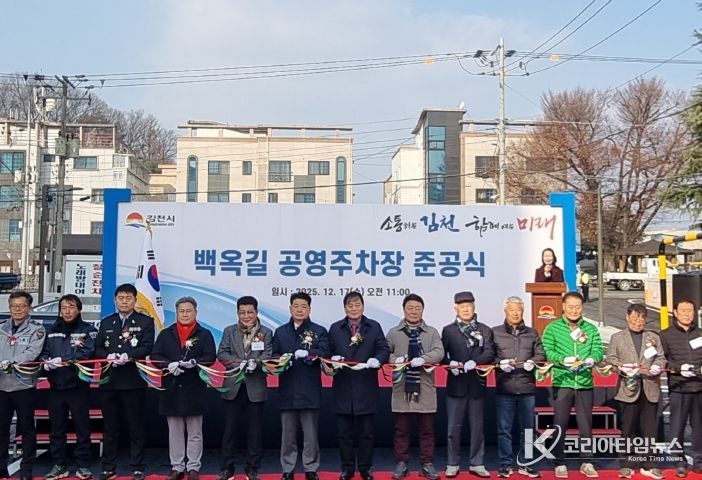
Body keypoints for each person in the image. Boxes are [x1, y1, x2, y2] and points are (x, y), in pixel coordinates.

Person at [151, 297, 216, 480]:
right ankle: (177, 467)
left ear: (195, 312)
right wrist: (168, 365)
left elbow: (210, 357)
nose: (185, 314)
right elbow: (155, 356)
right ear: (176, 312)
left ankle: (193, 467)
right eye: (181, 311)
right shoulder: (166, 334)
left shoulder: (204, 334)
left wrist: (195, 362)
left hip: (194, 388)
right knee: (175, 432)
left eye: (189, 311)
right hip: (171, 388)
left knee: (195, 432)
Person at [94, 283, 155, 480]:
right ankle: (108, 467)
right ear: (115, 300)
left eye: (128, 298)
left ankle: (137, 466)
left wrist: (129, 356)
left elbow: (147, 346)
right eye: (121, 298)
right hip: (109, 381)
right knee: (110, 426)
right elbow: (97, 348)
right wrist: (107, 356)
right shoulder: (106, 322)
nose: (124, 301)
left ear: (135, 300)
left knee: (135, 426)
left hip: (133, 381)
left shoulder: (145, 321)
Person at [541, 291, 603, 479]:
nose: (574, 310)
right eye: (570, 307)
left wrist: (593, 359)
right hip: (563, 382)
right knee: (560, 423)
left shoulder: (590, 329)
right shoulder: (553, 328)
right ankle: (559, 462)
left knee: (586, 424)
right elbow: (547, 351)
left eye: (578, 307)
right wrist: (563, 360)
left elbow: (598, 350)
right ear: (563, 307)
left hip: (584, 382)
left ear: (582, 307)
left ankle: (587, 461)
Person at [328, 292, 390, 480]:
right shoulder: (336, 328)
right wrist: (332, 359)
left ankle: (365, 468)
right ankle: (347, 468)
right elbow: (327, 351)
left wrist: (377, 360)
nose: (354, 308)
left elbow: (384, 349)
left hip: (366, 386)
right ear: (344, 308)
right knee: (344, 434)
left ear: (363, 306)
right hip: (343, 386)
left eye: (357, 305)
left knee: (366, 433)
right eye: (350, 305)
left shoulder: (373, 327)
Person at [387, 293, 444, 480]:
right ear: (404, 310)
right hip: (402, 388)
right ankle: (401, 463)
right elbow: (384, 352)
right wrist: (396, 360)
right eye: (410, 308)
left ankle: (426, 464)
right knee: (401, 430)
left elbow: (439, 352)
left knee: (427, 430)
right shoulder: (394, 333)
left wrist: (424, 359)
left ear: (423, 310)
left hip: (425, 388)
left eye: (417, 308)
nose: (413, 311)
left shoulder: (432, 332)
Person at [272, 292, 329, 480]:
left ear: (309, 309)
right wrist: (280, 360)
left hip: (309, 390)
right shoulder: (281, 332)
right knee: (287, 435)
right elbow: (273, 355)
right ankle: (288, 469)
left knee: (310, 435)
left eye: (303, 306)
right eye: (296, 306)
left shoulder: (319, 331)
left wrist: (308, 353)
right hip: (287, 389)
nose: (299, 309)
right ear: (290, 308)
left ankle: (310, 468)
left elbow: (325, 352)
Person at [40, 294, 98, 480]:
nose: (67, 311)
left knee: (82, 428)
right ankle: (59, 464)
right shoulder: (51, 330)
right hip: (56, 387)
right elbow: (44, 353)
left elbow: (87, 353)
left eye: (71, 307)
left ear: (79, 309)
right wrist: (46, 362)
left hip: (78, 387)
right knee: (57, 429)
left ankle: (83, 465)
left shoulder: (88, 330)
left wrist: (64, 360)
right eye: (63, 308)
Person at [606, 304, 666, 479]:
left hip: (649, 387)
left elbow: (661, 357)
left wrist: (657, 366)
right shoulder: (618, 337)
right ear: (627, 317)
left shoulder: (653, 337)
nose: (638, 322)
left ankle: (650, 464)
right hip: (628, 388)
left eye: (641, 319)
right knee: (628, 429)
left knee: (650, 429)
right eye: (634, 318)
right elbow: (610, 359)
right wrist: (621, 367)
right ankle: (626, 464)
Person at [217, 296, 273, 480]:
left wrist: (256, 363)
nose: (246, 316)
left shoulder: (266, 332)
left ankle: (252, 468)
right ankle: (228, 468)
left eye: (250, 312)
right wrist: (239, 363)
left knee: (255, 431)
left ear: (256, 312)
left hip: (255, 386)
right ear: (237, 313)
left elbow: (268, 354)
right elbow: (222, 353)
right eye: (242, 312)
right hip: (233, 386)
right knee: (229, 430)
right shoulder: (229, 331)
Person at [441, 291, 494, 479]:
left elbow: (489, 352)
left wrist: (476, 362)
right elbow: (441, 355)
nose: (465, 309)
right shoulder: (448, 330)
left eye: (468, 306)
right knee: (453, 428)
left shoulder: (485, 329)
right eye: (462, 306)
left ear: (474, 307)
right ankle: (452, 463)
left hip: (477, 384)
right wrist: (450, 364)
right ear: (455, 308)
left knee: (477, 428)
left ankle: (477, 463)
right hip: (456, 384)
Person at [492, 296, 545, 478]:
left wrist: (533, 361)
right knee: (504, 430)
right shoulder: (495, 332)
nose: (515, 313)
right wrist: (499, 363)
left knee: (528, 431)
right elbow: (490, 356)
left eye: (518, 310)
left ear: (523, 312)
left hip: (527, 388)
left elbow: (541, 354)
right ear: (505, 311)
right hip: (504, 388)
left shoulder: (532, 333)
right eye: (511, 310)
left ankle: (526, 463)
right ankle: (505, 464)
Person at [0, 291, 45, 480]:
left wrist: (11, 362)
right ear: (9, 308)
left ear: (29, 308)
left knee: (27, 429)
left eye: (22, 306)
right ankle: (1, 467)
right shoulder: (1, 328)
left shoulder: (37, 330)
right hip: (2, 386)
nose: (18, 309)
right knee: (2, 429)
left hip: (24, 385)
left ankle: (26, 469)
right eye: (14, 306)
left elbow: (32, 352)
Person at [660, 299, 702, 478]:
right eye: (683, 310)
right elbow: (662, 360)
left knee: (699, 427)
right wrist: (678, 369)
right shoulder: (666, 335)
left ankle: (699, 461)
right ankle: (679, 461)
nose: (687, 314)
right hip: (679, 387)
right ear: (675, 313)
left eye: (690, 310)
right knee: (676, 427)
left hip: (699, 387)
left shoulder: (700, 333)